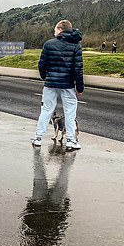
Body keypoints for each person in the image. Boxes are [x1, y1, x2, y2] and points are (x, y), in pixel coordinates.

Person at [31, 20, 83, 150]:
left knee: (46, 110)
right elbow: (78, 69)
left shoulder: (49, 44)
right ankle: (71, 140)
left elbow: (41, 64)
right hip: (68, 84)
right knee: (70, 113)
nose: (54, 32)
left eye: (55, 29)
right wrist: (79, 87)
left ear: (60, 29)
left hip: (50, 84)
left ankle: (38, 138)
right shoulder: (76, 46)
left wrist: (45, 77)